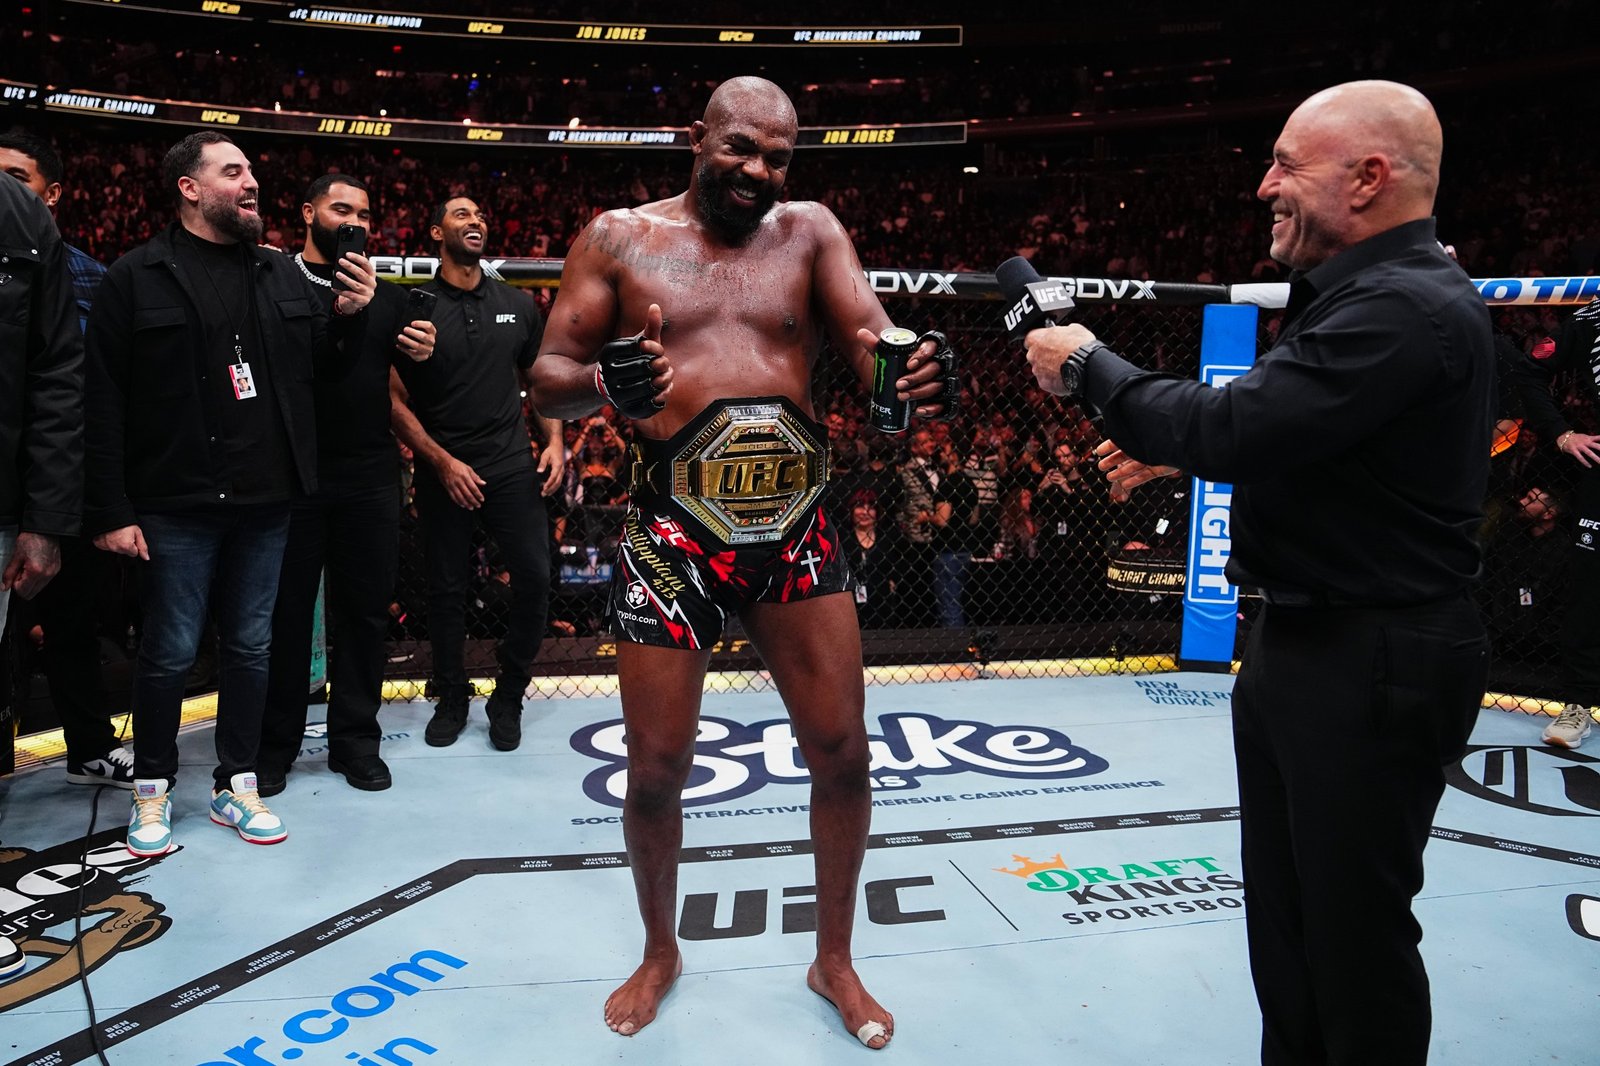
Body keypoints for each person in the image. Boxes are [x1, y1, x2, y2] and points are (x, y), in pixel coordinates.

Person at [1024, 81, 1492, 1065]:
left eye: (1287, 162)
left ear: (1368, 178)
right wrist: (1182, 444)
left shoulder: (1405, 305)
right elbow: (1295, 433)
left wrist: (1086, 361)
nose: (1262, 183)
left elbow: (1237, 424)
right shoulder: (1366, 299)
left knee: (1351, 941)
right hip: (1311, 642)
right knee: (1290, 937)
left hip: (1371, 652)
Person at [528, 76, 956, 1049]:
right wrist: (601, 379)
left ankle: (833, 956)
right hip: (673, 531)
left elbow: (870, 335)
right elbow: (548, 381)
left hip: (796, 527)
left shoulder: (809, 231)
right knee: (655, 770)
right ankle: (659, 949)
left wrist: (906, 365)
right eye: (741, 150)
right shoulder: (618, 238)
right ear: (697, 138)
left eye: (777, 158)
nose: (759, 172)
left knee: (843, 751)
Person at [84, 131, 377, 857]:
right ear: (189, 187)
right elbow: (103, 402)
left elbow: (323, 375)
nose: (252, 183)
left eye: (252, 172)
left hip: (268, 501)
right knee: (169, 653)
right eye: (233, 171)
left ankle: (236, 785)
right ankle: (151, 793)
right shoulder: (136, 276)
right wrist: (111, 510)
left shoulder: (278, 273)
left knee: (252, 648)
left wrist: (348, 319)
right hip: (176, 501)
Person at [257, 174, 436, 796]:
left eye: (363, 212)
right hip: (293, 475)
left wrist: (422, 350)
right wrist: (341, 312)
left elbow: (411, 387)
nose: (353, 221)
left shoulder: (384, 296)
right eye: (340, 209)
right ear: (308, 213)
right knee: (285, 617)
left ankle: (355, 741)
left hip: (367, 475)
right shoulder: (272, 280)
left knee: (364, 614)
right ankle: (273, 745)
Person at [389, 196, 563, 752]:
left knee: (536, 578)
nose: (476, 220)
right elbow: (390, 398)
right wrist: (439, 461)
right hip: (444, 467)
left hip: (510, 463)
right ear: (437, 230)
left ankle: (508, 693)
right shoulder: (412, 306)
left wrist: (555, 439)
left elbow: (539, 385)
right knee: (446, 590)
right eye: (462, 214)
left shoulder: (517, 304)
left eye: (482, 215)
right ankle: (452, 696)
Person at [0, 128, 130, 788]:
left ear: (52, 194)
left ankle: (88, 750)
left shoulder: (93, 277)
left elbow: (94, 393)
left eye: (17, 178)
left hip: (62, 485)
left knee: (71, 625)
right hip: (9, 480)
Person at [1512, 299, 1600, 748]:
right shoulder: (1591, 318)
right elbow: (1528, 370)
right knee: (1589, 589)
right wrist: (1562, 434)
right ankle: (1578, 704)